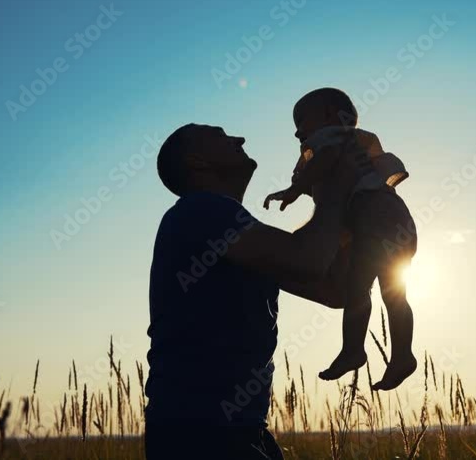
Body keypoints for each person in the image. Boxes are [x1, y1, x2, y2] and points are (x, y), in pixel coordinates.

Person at [145, 123, 361, 460]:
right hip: (203, 433)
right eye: (220, 136)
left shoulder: (231, 230)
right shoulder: (200, 210)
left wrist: (351, 211)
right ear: (197, 161)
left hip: (234, 429)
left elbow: (336, 291)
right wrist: (336, 183)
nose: (239, 138)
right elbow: (307, 260)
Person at [263, 88, 418, 391]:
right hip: (396, 221)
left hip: (375, 221)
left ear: (330, 117)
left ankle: (353, 350)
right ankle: (401, 354)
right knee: (394, 292)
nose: (297, 132)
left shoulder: (332, 138)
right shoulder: (356, 143)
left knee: (358, 289)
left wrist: (295, 189)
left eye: (301, 122)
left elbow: (327, 160)